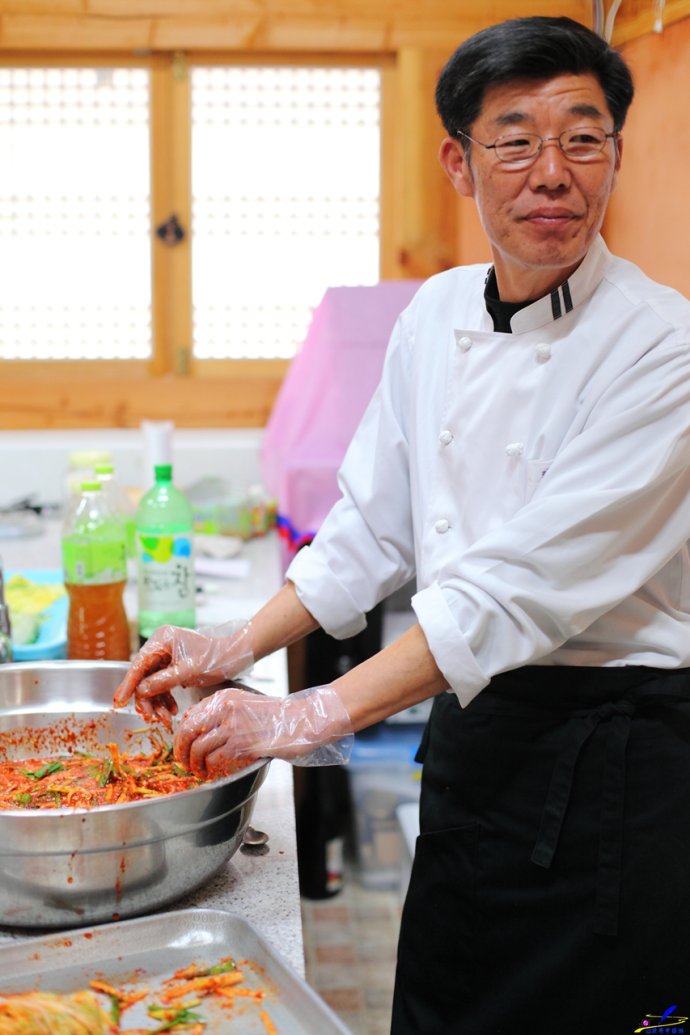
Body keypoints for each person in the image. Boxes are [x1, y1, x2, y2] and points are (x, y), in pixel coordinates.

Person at [114, 15, 690, 1033]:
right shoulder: (434, 316)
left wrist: (306, 714)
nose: (552, 173)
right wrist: (232, 644)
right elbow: (368, 530)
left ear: (615, 154)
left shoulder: (663, 348)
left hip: (614, 759)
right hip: (477, 734)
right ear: (460, 163)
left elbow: (510, 594)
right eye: (515, 140)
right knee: (438, 1004)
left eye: (582, 138)